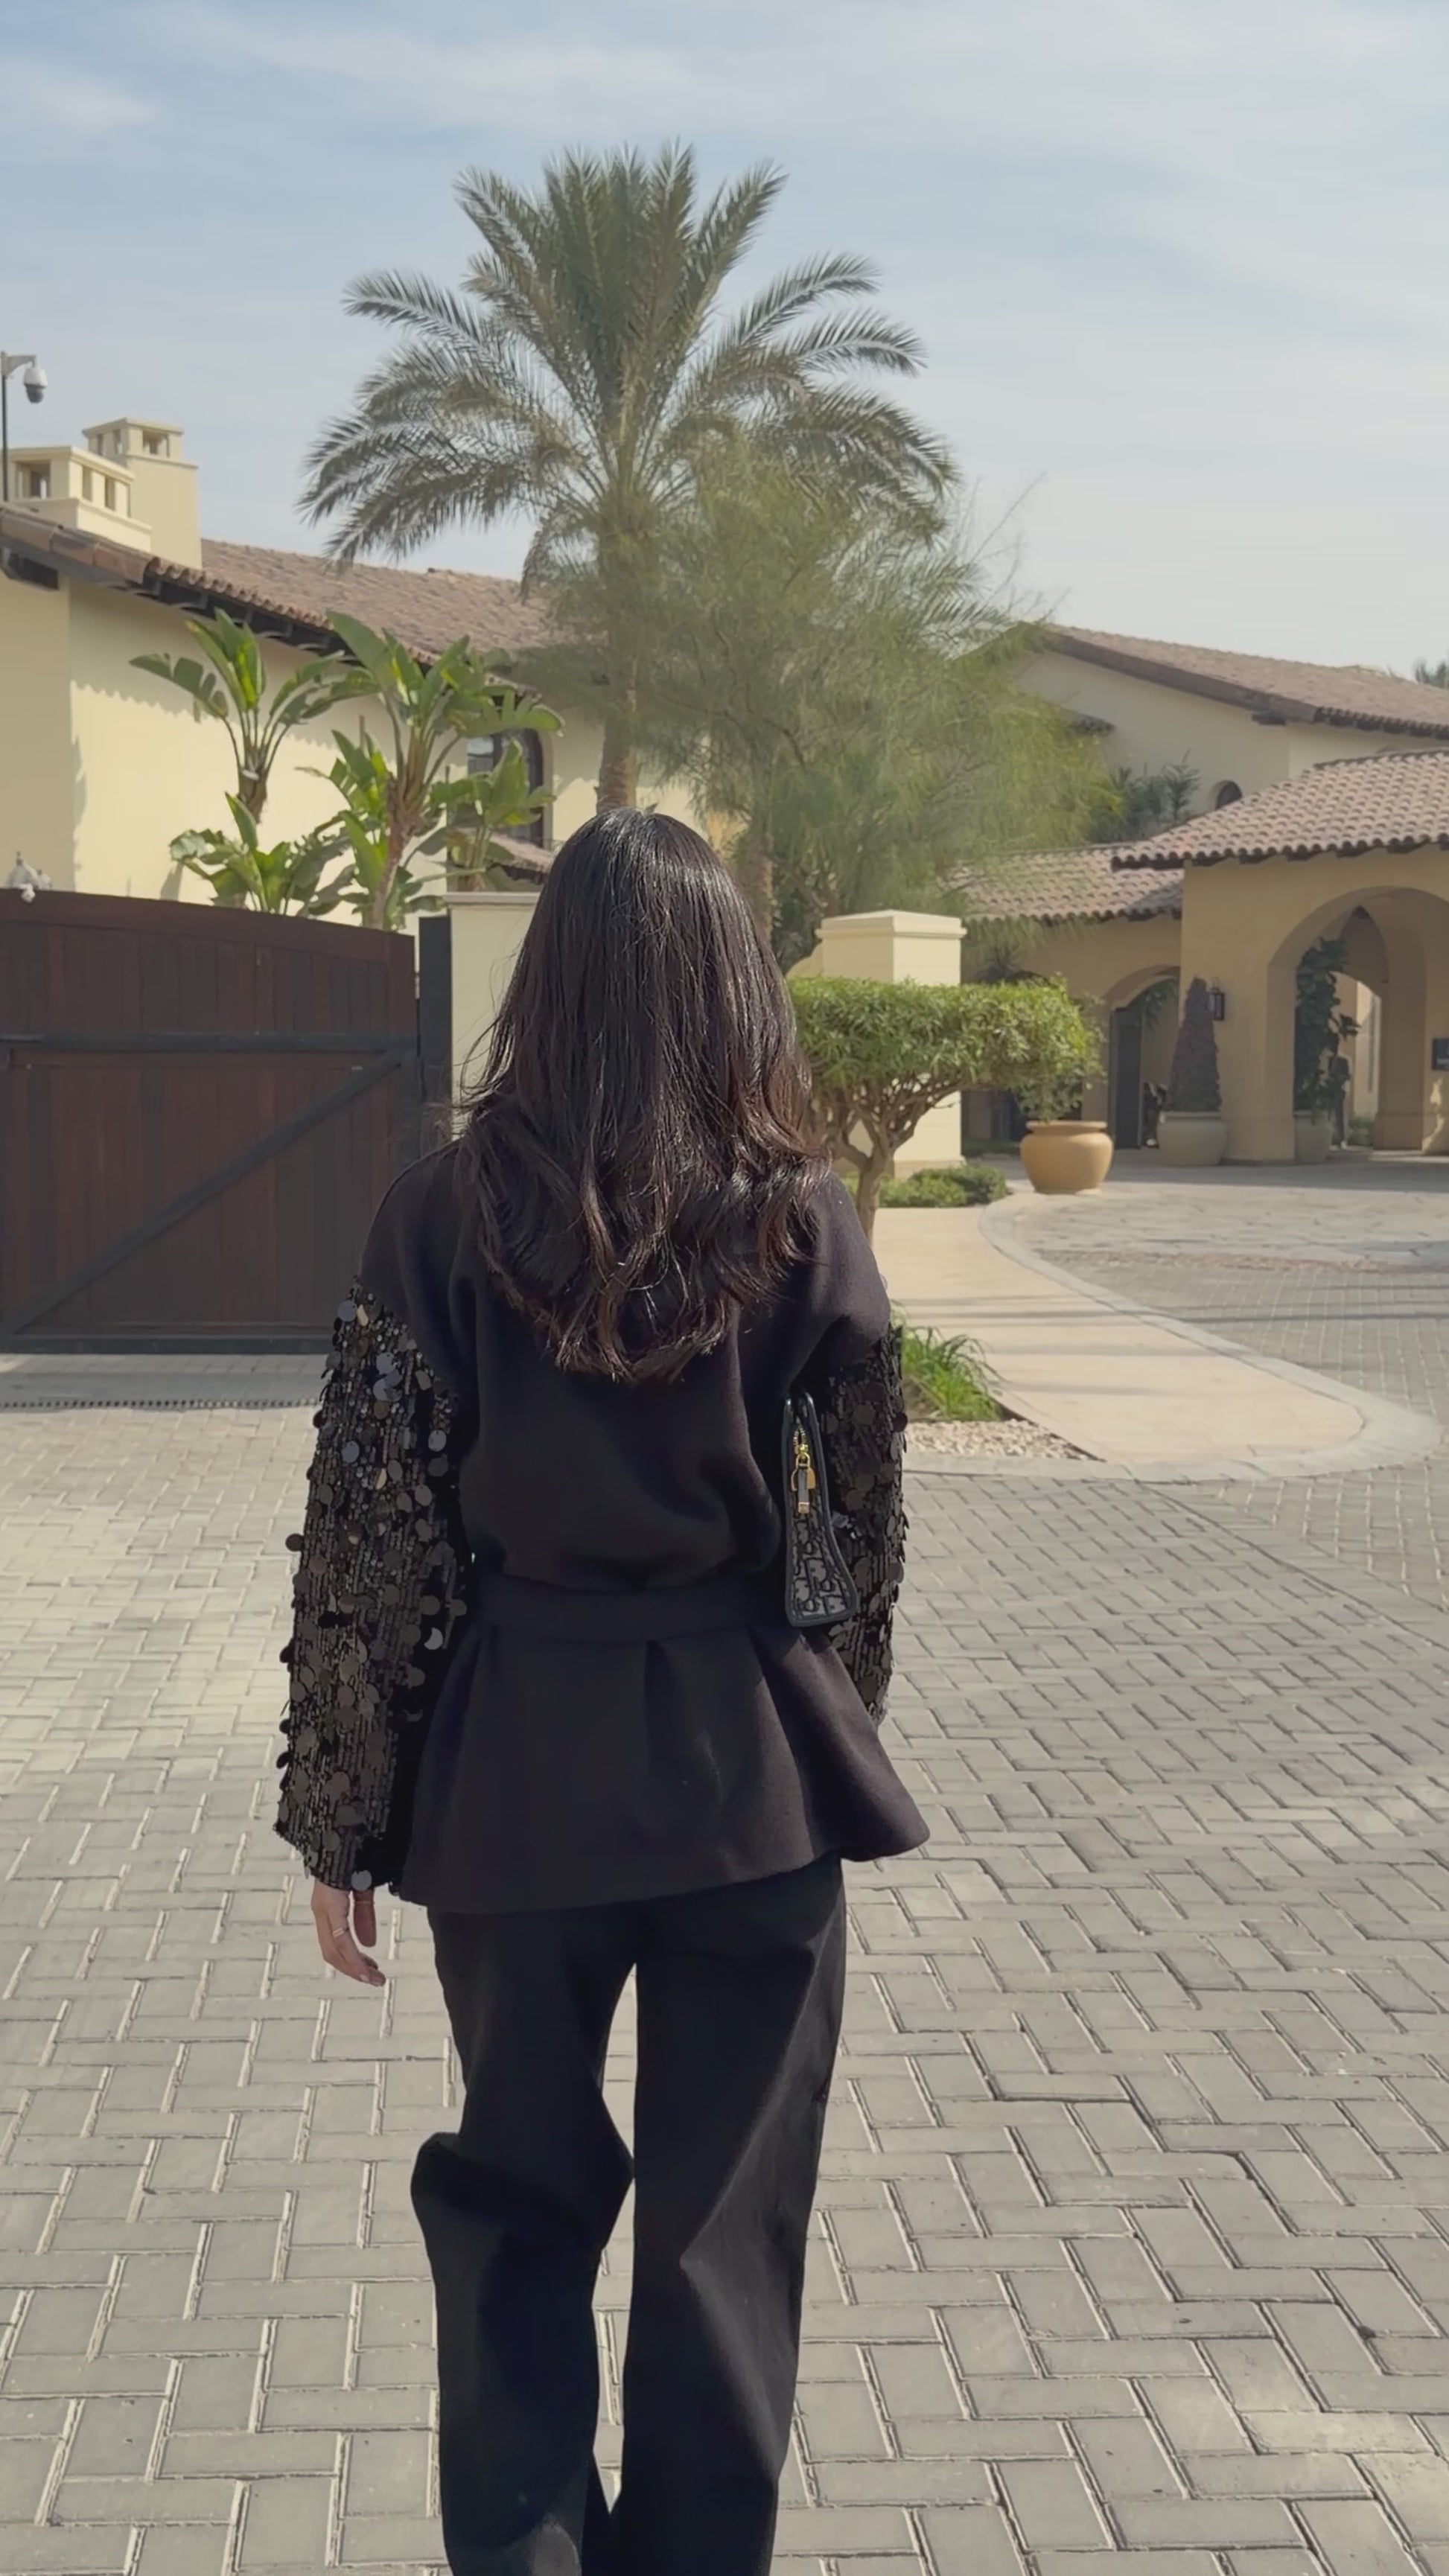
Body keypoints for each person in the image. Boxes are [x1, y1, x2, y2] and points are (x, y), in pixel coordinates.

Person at [273, 809, 927, 2576]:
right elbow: (854, 1544)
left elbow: (376, 1529)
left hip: (516, 1779)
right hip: (751, 1780)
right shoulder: (804, 1224)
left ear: (548, 979)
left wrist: (346, 1814)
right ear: (733, 988)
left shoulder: (440, 1213)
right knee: (724, 2241)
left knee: (516, 2198)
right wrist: (826, 1726)